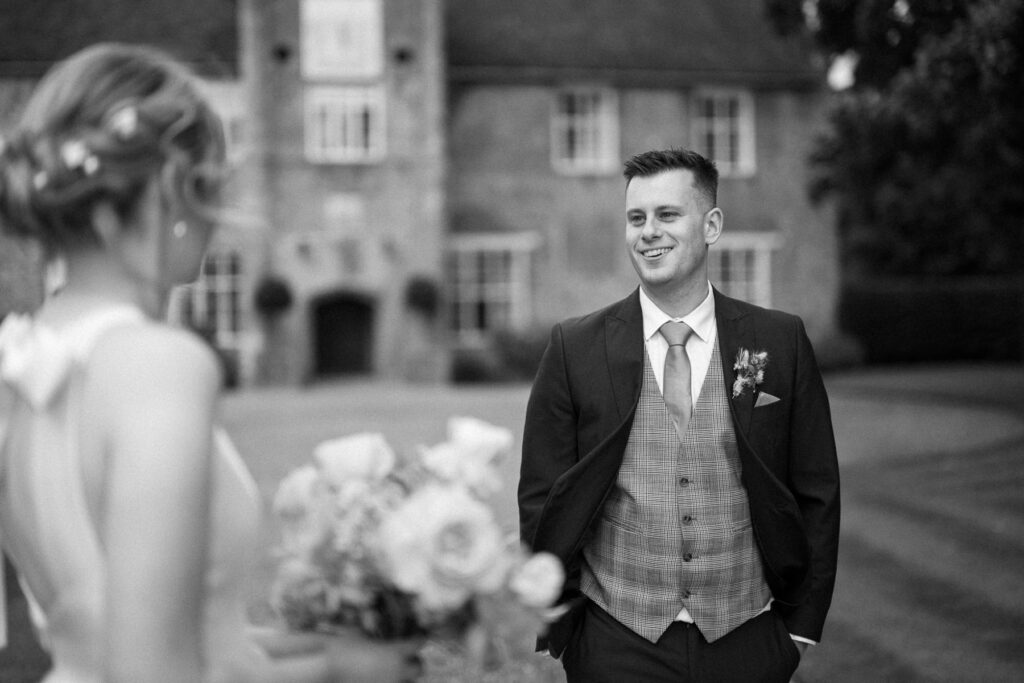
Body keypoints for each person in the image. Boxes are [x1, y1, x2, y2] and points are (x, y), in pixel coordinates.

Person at [0, 43, 420, 682]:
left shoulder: (22, 356)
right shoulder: (155, 365)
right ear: (174, 186)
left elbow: (134, 628)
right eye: (217, 182)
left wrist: (331, 653)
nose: (219, 217)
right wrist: (337, 678)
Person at [519, 148, 840, 682]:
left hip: (748, 638)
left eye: (668, 215)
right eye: (636, 218)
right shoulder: (574, 348)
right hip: (614, 642)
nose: (649, 232)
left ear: (711, 224)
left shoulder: (779, 341)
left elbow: (817, 491)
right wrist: (568, 629)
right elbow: (541, 496)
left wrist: (799, 630)